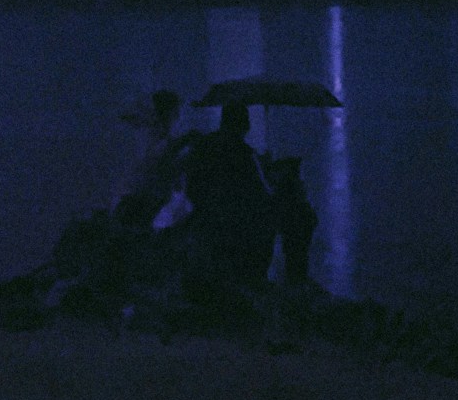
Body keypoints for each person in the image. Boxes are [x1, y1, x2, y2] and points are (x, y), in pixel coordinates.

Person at [181, 102, 275, 287]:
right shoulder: (244, 153)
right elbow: (260, 192)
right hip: (237, 225)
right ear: (245, 125)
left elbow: (191, 183)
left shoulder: (204, 146)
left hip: (205, 218)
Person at [111, 89, 188, 232]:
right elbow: (158, 161)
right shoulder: (152, 137)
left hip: (140, 202)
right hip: (136, 201)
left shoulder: (156, 136)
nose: (178, 116)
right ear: (171, 113)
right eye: (176, 111)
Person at [267, 156, 318, 289]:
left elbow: (280, 208)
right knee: (298, 255)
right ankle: (298, 283)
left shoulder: (286, 187)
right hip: (300, 225)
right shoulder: (295, 185)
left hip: (295, 227)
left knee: (294, 255)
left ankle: (296, 284)